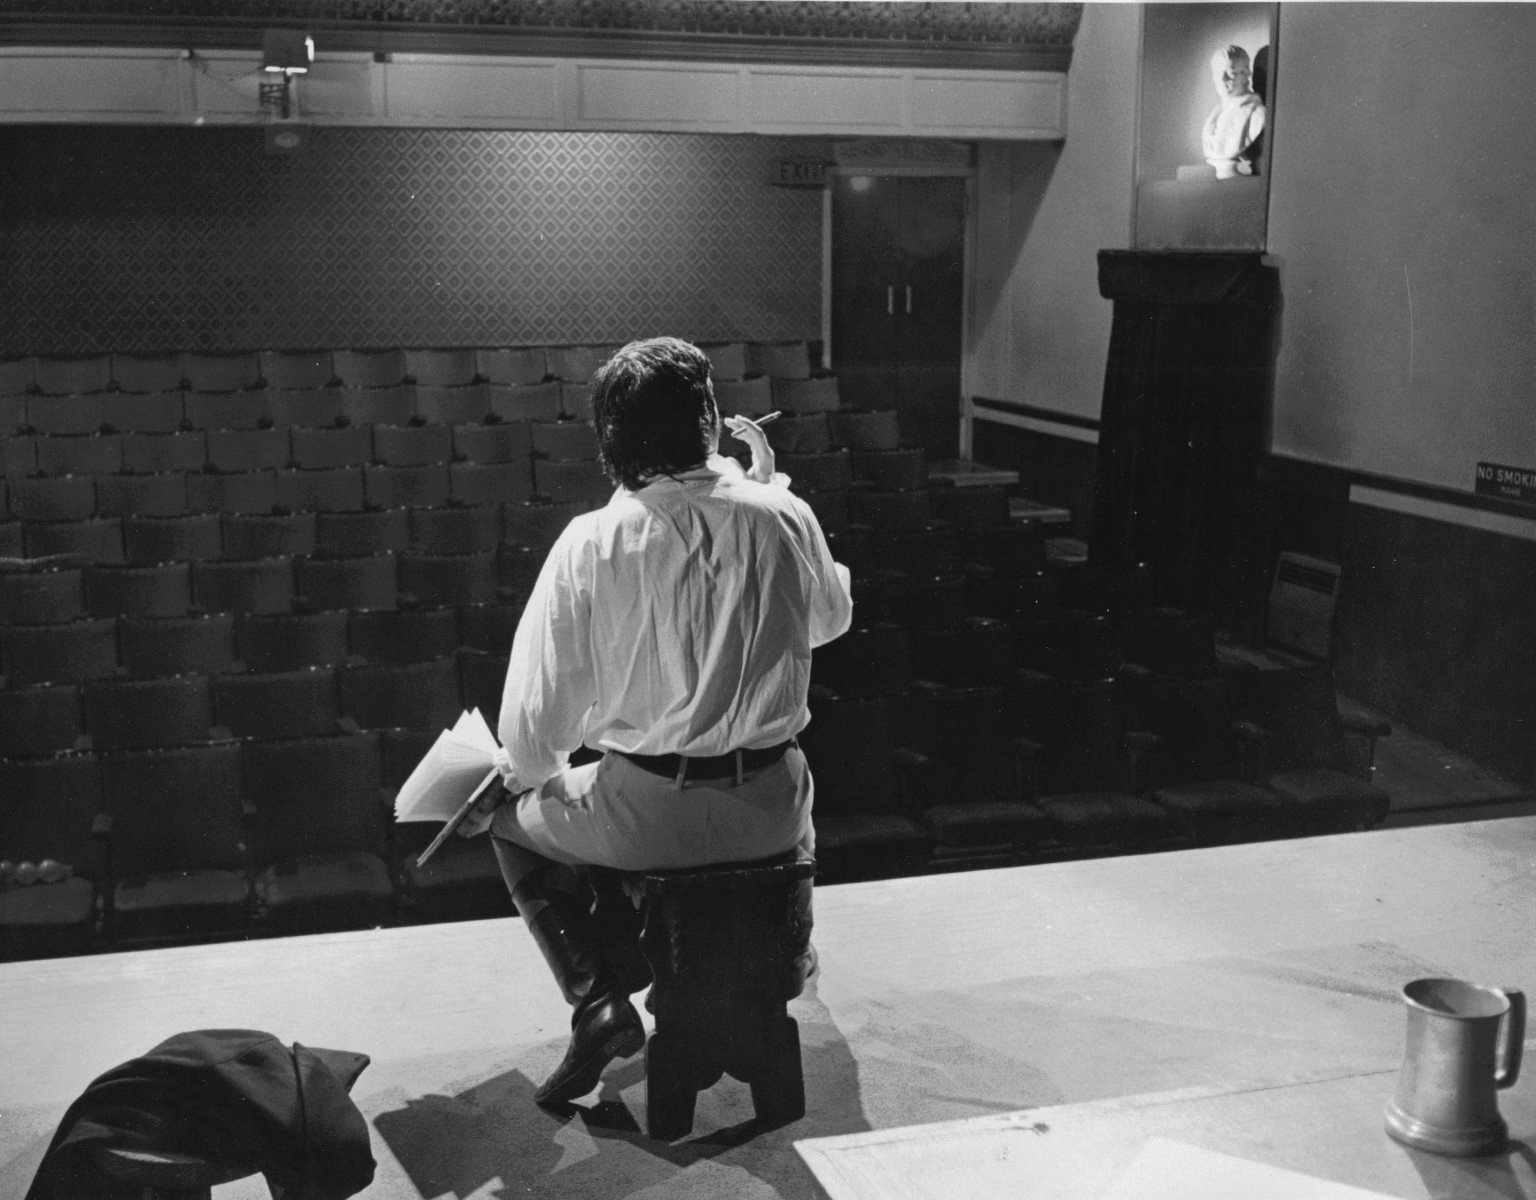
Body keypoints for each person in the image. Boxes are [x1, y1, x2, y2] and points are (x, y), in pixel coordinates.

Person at [457, 336, 853, 1108]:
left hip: (648, 815)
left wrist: (524, 790)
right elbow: (828, 620)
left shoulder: (591, 542)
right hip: (773, 808)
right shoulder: (783, 513)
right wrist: (775, 498)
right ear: (709, 420)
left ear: (612, 440)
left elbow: (534, 733)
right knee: (792, 788)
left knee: (510, 821)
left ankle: (600, 1000)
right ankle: (791, 949)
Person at [1201, 44, 1266, 178]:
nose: (1222, 79)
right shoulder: (1214, 118)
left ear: (1246, 74)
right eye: (1218, 72)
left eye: (1230, 72)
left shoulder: (1258, 116)